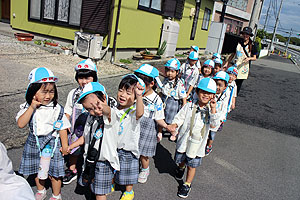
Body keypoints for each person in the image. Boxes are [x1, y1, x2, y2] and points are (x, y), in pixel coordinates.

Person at [16, 67, 71, 200]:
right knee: (37, 169)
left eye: (51, 92)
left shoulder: (56, 108)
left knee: (54, 174)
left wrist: (64, 146)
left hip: (52, 142)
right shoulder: (26, 107)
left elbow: (62, 127)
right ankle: (41, 190)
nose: (48, 96)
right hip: (34, 142)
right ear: (33, 92)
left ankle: (56, 195)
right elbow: (21, 124)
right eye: (44, 92)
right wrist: (32, 107)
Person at [67, 82, 119, 200]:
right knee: (94, 186)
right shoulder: (90, 117)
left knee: (100, 194)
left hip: (103, 162)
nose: (93, 110)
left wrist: (103, 107)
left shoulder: (110, 115)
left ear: (104, 98)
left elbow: (108, 111)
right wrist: (71, 146)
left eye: (96, 106)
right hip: (90, 159)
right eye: (88, 109)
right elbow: (85, 137)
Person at [169, 78, 218, 198]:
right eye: (202, 92)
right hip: (185, 140)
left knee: (192, 165)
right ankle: (181, 167)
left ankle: (187, 184)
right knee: (182, 158)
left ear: (213, 95)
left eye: (209, 93)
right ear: (197, 92)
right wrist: (174, 124)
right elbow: (180, 117)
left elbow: (214, 125)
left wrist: (213, 109)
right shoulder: (189, 106)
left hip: (197, 144)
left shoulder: (211, 111)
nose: (205, 95)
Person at [134, 64, 175, 183]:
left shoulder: (156, 99)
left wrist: (167, 126)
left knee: (143, 153)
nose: (138, 85)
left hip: (147, 129)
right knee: (131, 149)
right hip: (133, 125)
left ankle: (145, 169)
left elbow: (159, 118)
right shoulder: (134, 93)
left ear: (151, 83)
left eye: (142, 83)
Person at [63, 59, 98, 185]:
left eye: (88, 77)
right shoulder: (73, 93)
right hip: (77, 128)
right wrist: (65, 123)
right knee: (75, 150)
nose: (84, 81)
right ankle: (72, 169)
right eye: (80, 78)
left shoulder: (98, 92)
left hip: (93, 128)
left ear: (94, 77)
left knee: (92, 151)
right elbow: (68, 110)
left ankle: (90, 171)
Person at [112, 74, 145, 200]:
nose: (122, 95)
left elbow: (140, 113)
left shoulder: (133, 111)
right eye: (121, 90)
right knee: (114, 166)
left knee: (128, 172)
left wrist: (139, 95)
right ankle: (113, 182)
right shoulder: (114, 108)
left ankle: (129, 191)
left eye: (128, 92)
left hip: (128, 149)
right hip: (115, 146)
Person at [158, 58, 187, 141]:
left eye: (172, 71)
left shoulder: (179, 83)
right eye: (168, 71)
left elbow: (183, 97)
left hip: (173, 103)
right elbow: (162, 90)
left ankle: (173, 132)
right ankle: (160, 131)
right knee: (161, 116)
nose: (169, 73)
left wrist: (184, 109)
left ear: (177, 72)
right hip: (164, 101)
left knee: (172, 119)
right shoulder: (165, 80)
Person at [223, 27, 258, 95]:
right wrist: (226, 63)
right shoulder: (238, 43)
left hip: (244, 67)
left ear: (250, 35)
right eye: (244, 34)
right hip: (236, 65)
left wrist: (249, 58)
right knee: (230, 81)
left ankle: (234, 97)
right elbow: (233, 54)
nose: (245, 35)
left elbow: (254, 57)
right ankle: (227, 95)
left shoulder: (252, 45)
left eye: (247, 34)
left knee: (238, 85)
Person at [205, 71, 229, 155]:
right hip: (207, 116)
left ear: (225, 87)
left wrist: (221, 119)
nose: (217, 87)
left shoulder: (225, 96)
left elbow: (224, 109)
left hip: (216, 119)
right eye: (216, 84)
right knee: (205, 132)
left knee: (212, 134)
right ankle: (203, 144)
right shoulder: (210, 92)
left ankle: (209, 146)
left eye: (220, 85)